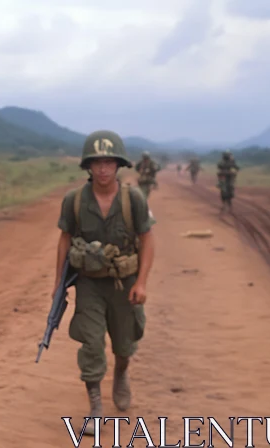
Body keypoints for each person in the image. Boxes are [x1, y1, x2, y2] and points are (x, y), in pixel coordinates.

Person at [54, 130, 156, 436]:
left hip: (124, 283)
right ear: (88, 166)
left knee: (125, 342)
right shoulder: (74, 200)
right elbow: (64, 240)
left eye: (108, 162)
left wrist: (142, 283)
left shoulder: (133, 198)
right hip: (89, 284)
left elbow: (147, 240)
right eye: (96, 162)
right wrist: (58, 283)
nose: (102, 169)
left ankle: (122, 373)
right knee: (92, 343)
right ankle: (95, 405)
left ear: (118, 165)